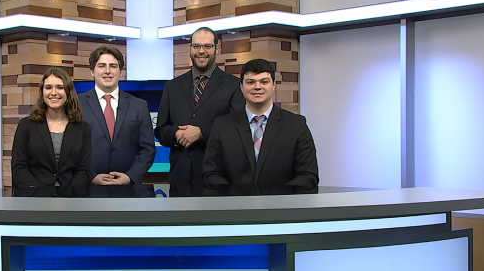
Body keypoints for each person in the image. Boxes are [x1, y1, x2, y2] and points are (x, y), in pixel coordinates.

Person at [202, 59, 318, 194]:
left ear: (274, 85)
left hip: (281, 210)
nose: (257, 87)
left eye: (264, 81)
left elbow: (308, 176)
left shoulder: (296, 125)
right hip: (235, 209)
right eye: (250, 82)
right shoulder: (222, 126)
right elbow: (211, 175)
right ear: (241, 86)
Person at [154, 27, 244, 196]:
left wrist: (202, 133)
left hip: (217, 180)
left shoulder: (233, 85)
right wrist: (176, 134)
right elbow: (160, 130)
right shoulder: (172, 86)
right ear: (190, 49)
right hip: (180, 181)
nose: (201, 51)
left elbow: (238, 129)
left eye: (207, 46)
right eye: (196, 46)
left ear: (217, 48)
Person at [79, 45, 156, 186]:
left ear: (121, 71)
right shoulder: (77, 105)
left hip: (128, 189)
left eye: (113, 66)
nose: (107, 71)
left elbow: (147, 149)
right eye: (101, 66)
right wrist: (91, 177)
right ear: (92, 71)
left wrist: (130, 177)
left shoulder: (139, 105)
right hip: (87, 188)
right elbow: (71, 149)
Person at [11, 67, 91, 197]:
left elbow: (83, 169)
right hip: (33, 198)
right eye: (48, 87)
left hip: (71, 200)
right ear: (42, 91)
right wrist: (41, 194)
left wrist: (69, 195)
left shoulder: (82, 128)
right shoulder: (26, 125)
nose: (53, 92)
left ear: (68, 92)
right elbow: (19, 167)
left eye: (59, 87)